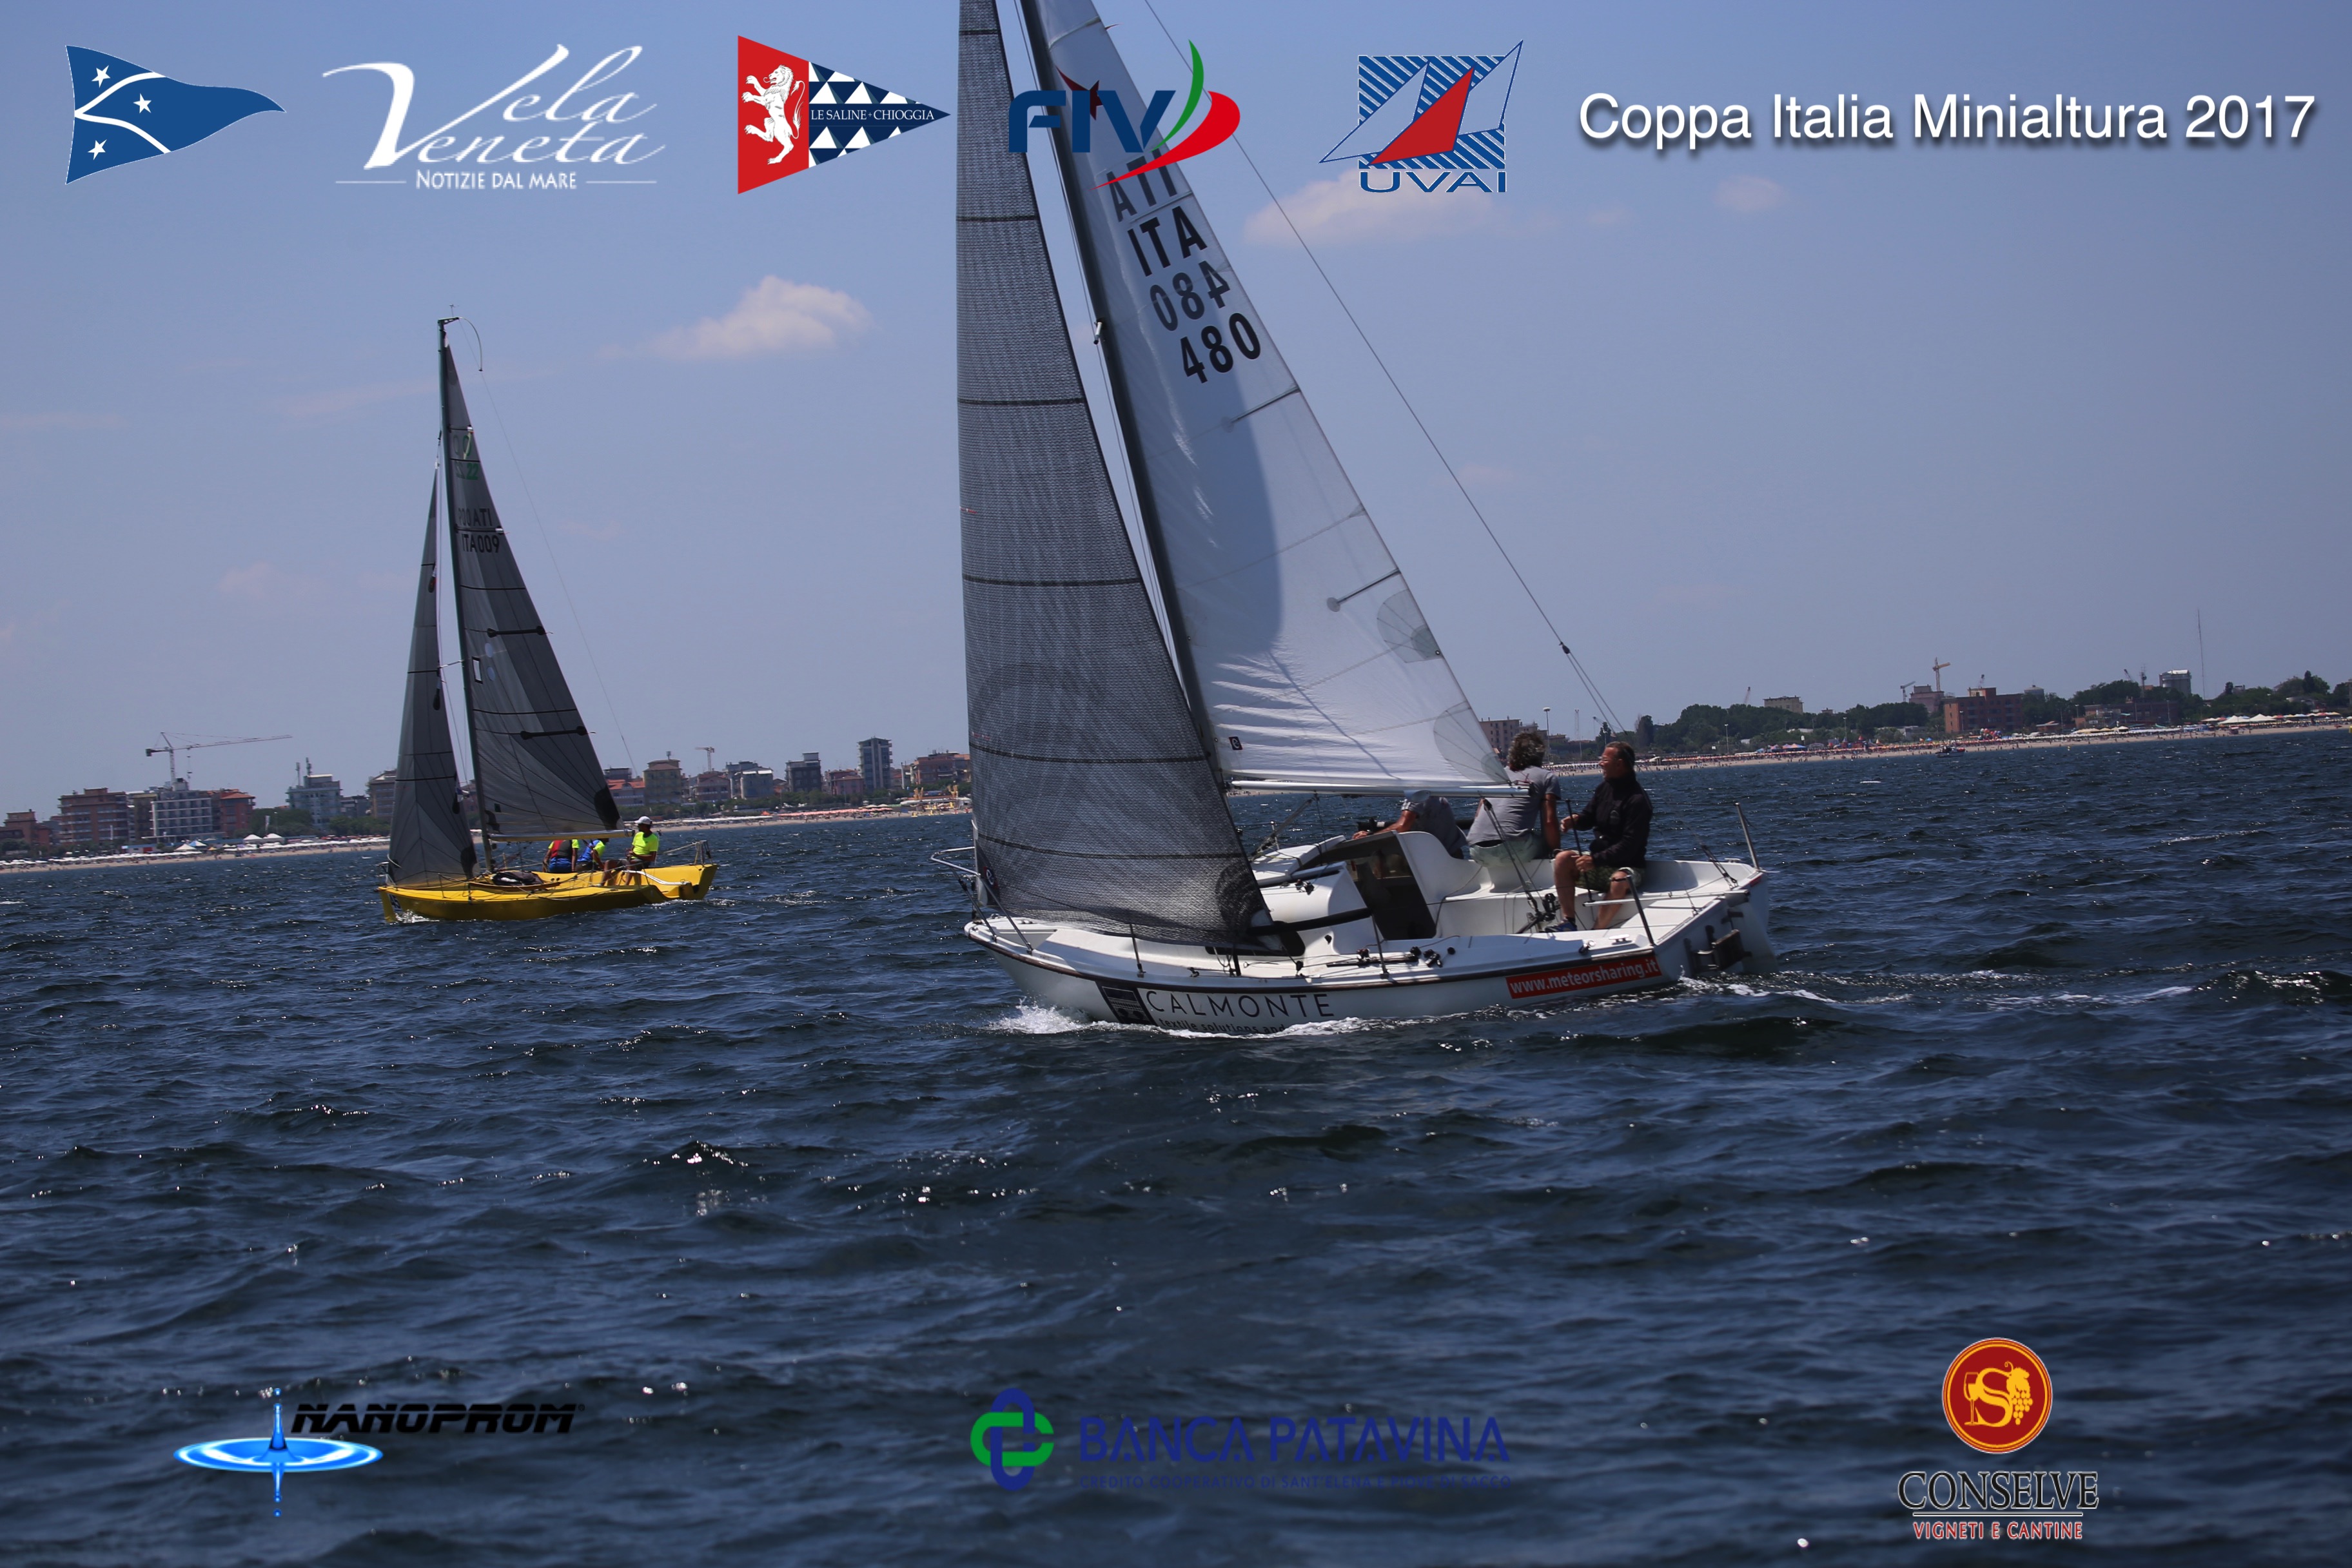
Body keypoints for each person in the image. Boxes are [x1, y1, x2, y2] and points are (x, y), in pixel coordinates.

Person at [1556, 741, 1651, 919]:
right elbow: (1589, 817)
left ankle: (1598, 929)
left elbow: (1630, 845)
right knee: (1562, 859)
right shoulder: (1604, 788)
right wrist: (1576, 821)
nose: (1600, 763)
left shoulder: (1638, 800)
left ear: (1619, 764)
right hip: (1599, 864)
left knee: (1619, 880)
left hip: (1628, 866)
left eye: (1604, 760)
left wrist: (1595, 860)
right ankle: (1568, 921)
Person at [1466, 729, 1562, 880]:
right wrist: (1557, 852)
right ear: (1539, 754)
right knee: (1545, 844)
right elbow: (1549, 822)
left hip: (1477, 852)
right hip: (1515, 850)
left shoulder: (1496, 776)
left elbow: (1478, 815)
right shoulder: (1547, 777)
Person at [1357, 789, 1467, 859]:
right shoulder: (1435, 793)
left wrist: (1370, 837)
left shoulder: (1417, 797)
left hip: (1438, 859)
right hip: (1453, 853)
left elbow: (1403, 826)